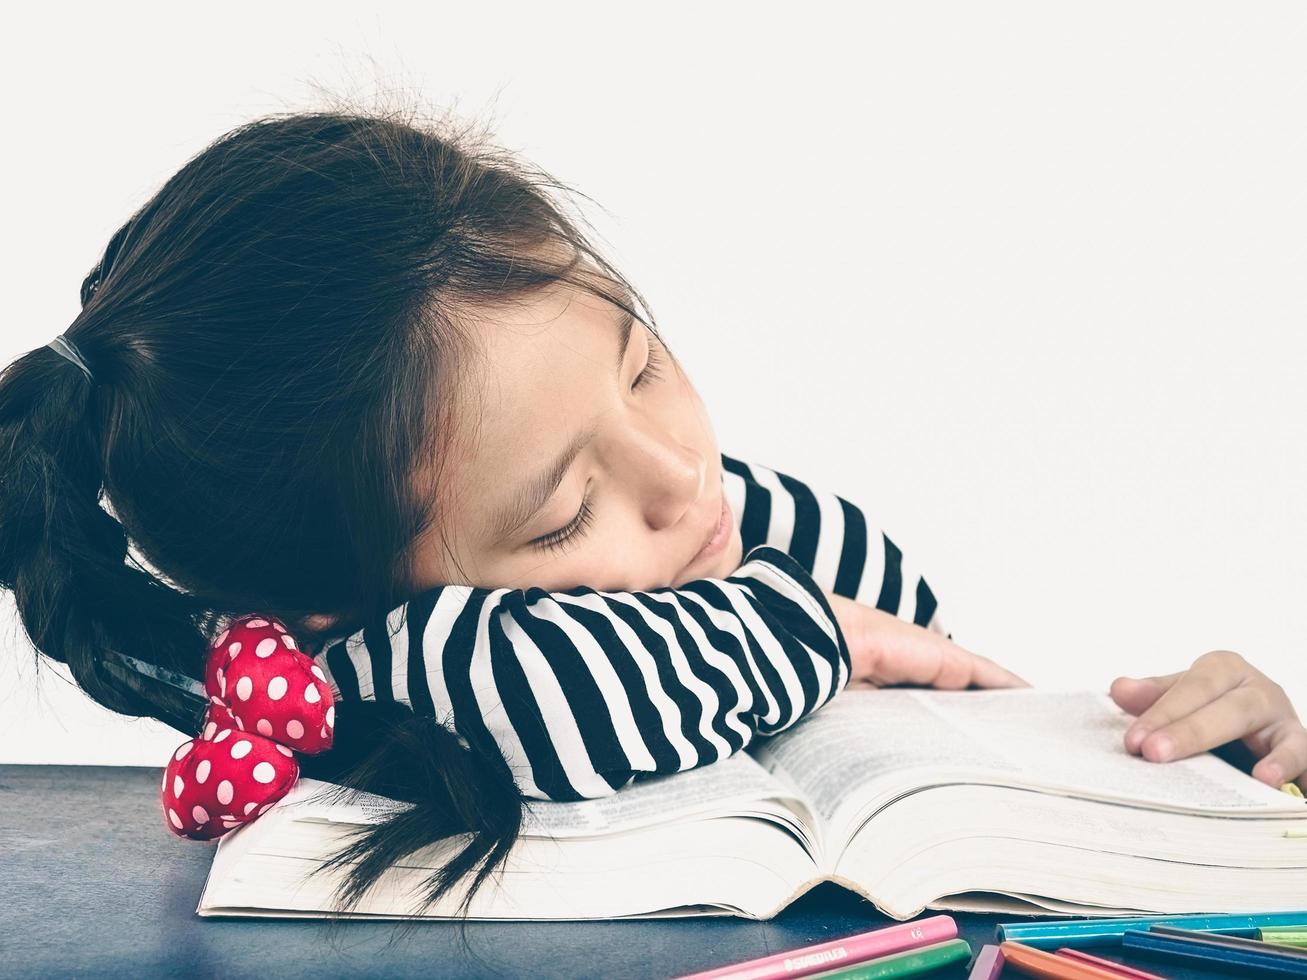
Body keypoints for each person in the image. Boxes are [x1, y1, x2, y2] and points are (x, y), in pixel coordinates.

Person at [1, 98, 1301, 924]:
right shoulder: (356, 669)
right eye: (566, 515)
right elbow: (533, 697)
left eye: (642, 365)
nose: (683, 475)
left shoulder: (721, 527)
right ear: (336, 609)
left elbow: (914, 638)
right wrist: (813, 635)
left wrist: (1221, 757)